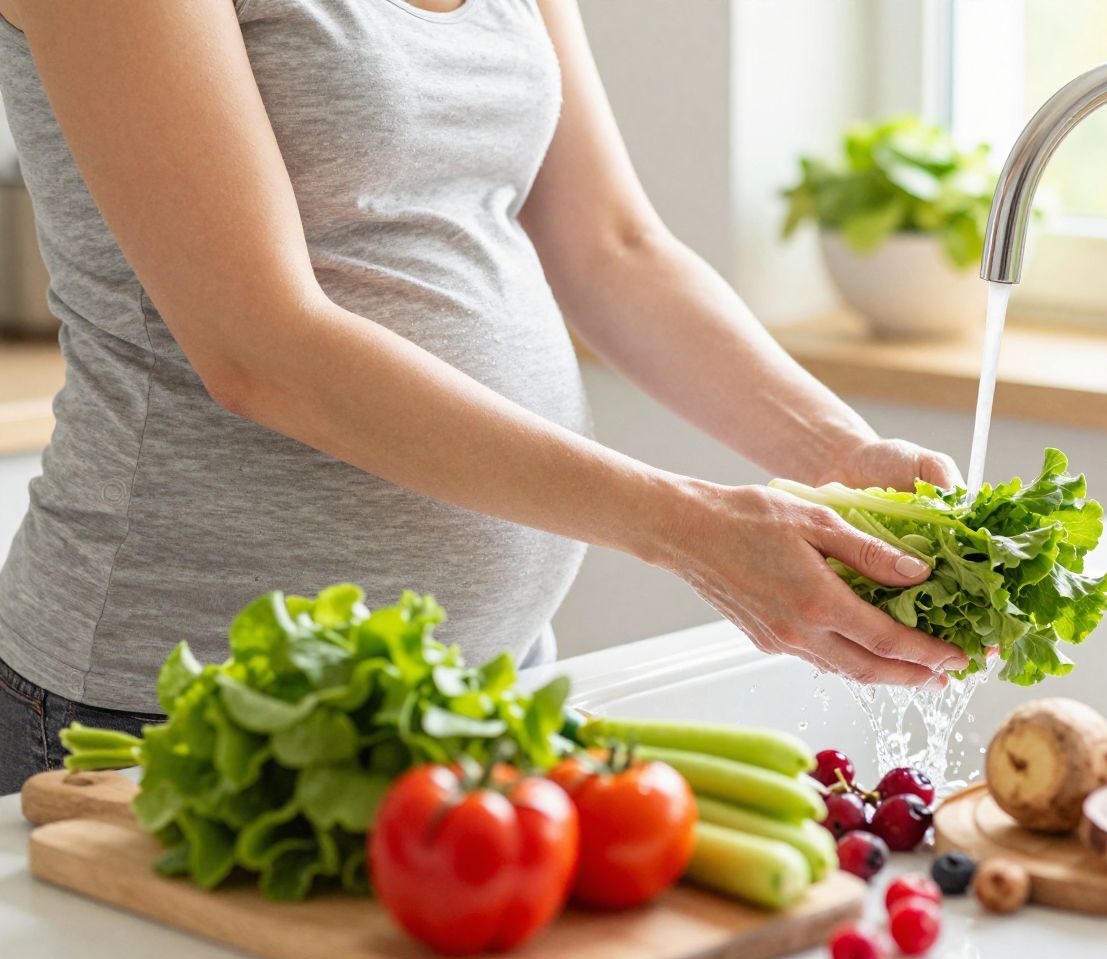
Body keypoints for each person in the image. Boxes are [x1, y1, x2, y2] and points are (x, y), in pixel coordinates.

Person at [0, 0, 969, 794]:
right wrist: (687, 526)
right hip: (182, 700)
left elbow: (614, 250)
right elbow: (262, 348)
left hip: (484, 680)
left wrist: (838, 455)